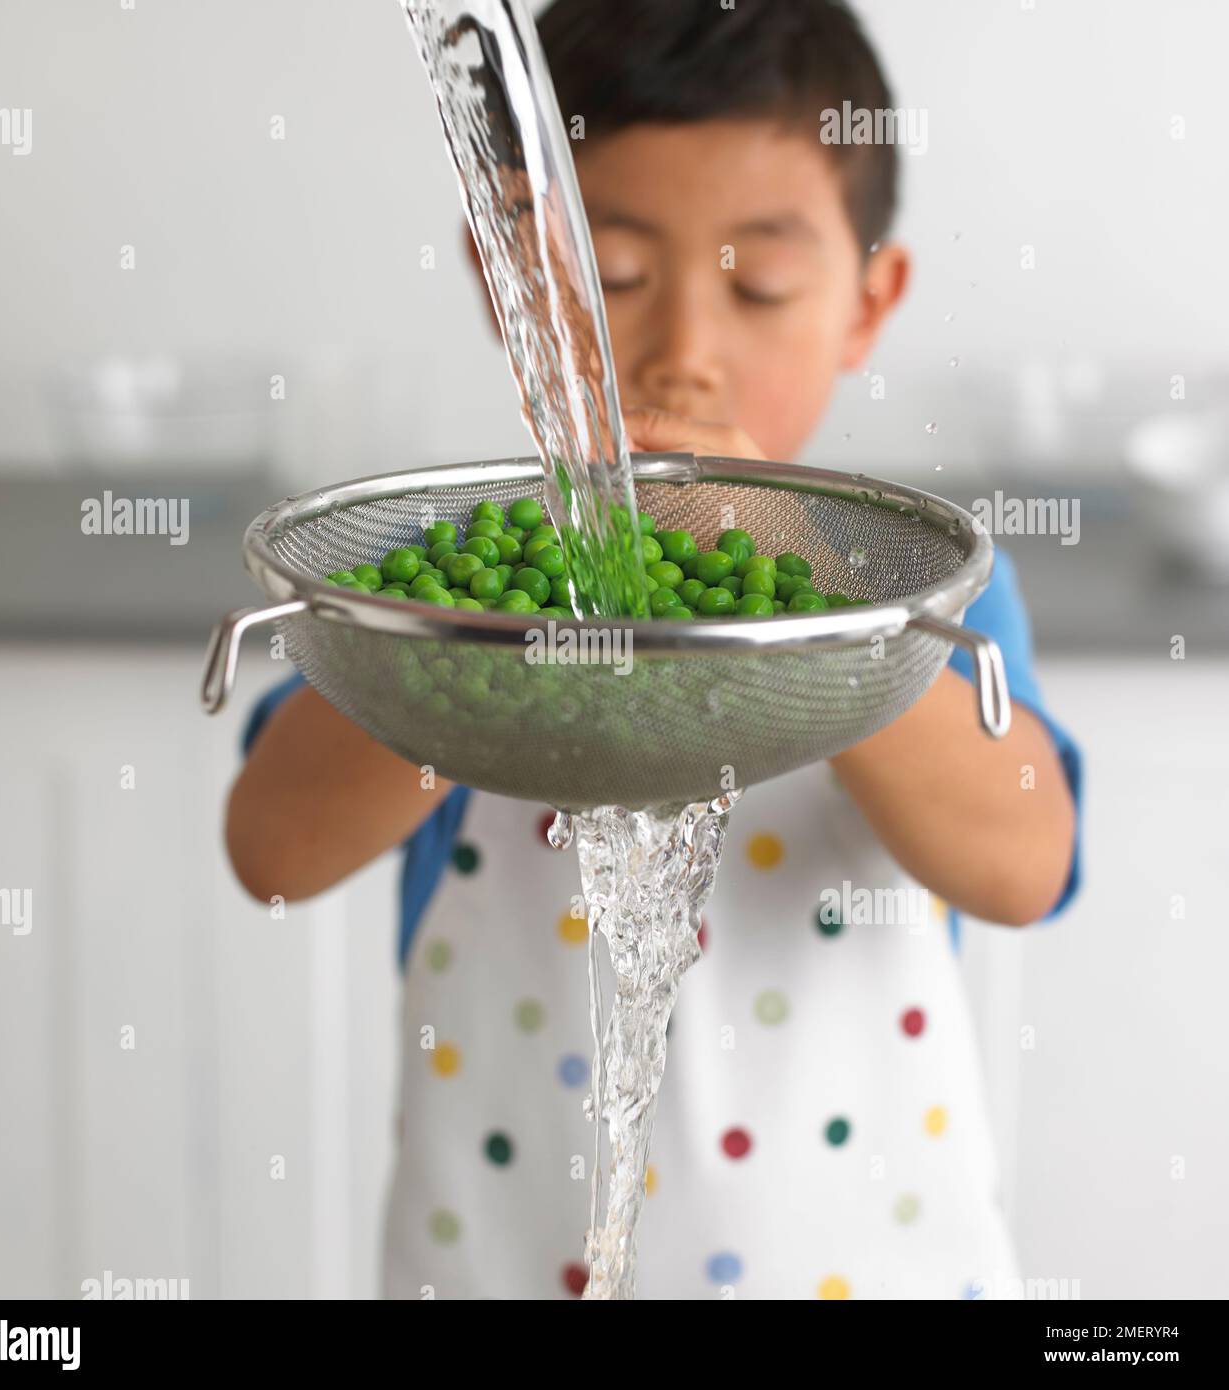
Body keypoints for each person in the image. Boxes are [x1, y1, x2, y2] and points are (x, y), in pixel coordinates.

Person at [225, 0, 1082, 1300]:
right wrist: (472, 649)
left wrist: (806, 582)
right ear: (504, 278)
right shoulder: (445, 586)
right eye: (614, 276)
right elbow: (272, 851)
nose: (680, 351)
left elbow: (1025, 864)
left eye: (763, 286)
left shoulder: (911, 586)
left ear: (867, 301)